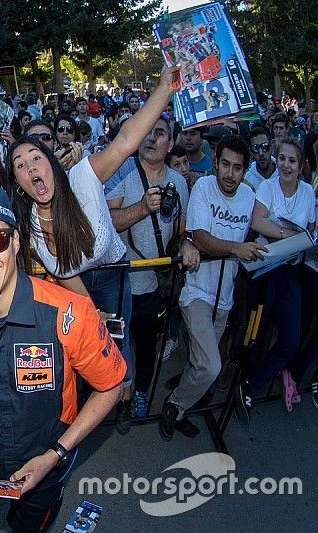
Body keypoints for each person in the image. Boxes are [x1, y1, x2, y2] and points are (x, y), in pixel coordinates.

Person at [0, 184, 125, 533]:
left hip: (48, 459)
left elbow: (111, 385)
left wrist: (55, 455)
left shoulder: (71, 313)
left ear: (16, 242)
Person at [7, 67, 179, 434]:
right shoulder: (30, 226)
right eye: (20, 166)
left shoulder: (82, 178)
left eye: (36, 158)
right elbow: (66, 272)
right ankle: (90, 409)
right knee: (90, 341)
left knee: (120, 340)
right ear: (20, 183)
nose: (30, 167)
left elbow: (127, 140)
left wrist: (164, 87)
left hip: (115, 272)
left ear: (52, 163)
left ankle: (126, 398)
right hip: (76, 285)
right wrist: (89, 310)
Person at [159, 135, 265, 441]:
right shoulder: (203, 187)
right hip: (197, 292)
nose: (230, 174)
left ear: (245, 170)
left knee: (200, 360)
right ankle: (174, 403)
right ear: (215, 161)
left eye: (237, 168)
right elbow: (201, 238)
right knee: (210, 364)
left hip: (225, 295)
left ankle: (181, 410)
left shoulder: (248, 194)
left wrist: (293, 237)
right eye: (225, 165)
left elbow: (261, 226)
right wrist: (236, 248)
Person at [106, 116, 199, 425]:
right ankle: (120, 399)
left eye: (159, 133)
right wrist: (143, 208)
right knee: (117, 345)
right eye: (146, 131)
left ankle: (142, 391)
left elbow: (183, 228)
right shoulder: (123, 176)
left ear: (170, 143)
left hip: (152, 286)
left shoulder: (179, 182)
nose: (150, 138)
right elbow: (108, 221)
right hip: (119, 283)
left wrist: (186, 242)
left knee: (146, 345)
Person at [236, 138, 316, 421]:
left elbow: (309, 232)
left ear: (301, 164)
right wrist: (286, 236)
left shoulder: (307, 192)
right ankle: (243, 386)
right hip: (264, 269)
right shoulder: (267, 187)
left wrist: (289, 236)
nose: (286, 165)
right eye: (282, 158)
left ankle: (252, 383)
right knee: (254, 337)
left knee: (291, 339)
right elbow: (257, 222)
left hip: (291, 271)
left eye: (292, 161)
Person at [243, 127, 278, 191]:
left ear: (272, 148)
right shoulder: (247, 181)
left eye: (265, 146)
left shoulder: (282, 174)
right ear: (251, 152)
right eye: (255, 148)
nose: (261, 153)